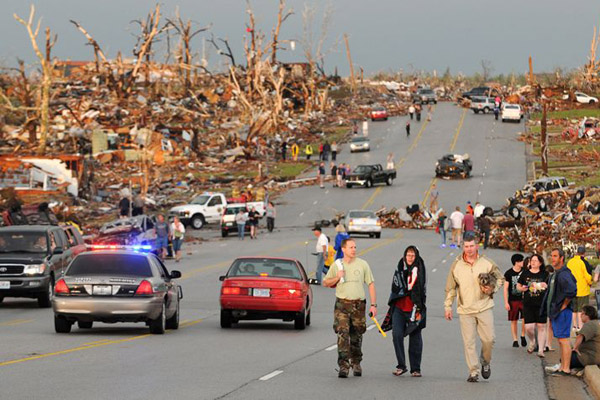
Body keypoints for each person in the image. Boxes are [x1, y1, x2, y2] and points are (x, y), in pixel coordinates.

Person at [444, 233, 504, 382]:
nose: (469, 249)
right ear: (463, 246)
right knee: (469, 343)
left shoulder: (486, 263)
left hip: (484, 307)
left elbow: (500, 278)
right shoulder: (456, 264)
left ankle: (485, 362)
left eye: (472, 246)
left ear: (477, 246)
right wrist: (448, 306)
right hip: (465, 310)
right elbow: (451, 287)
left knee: (489, 339)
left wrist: (492, 289)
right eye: (466, 246)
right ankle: (473, 371)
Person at [323, 238, 377, 378]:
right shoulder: (337, 265)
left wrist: (373, 305)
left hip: (358, 305)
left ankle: (356, 362)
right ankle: (343, 366)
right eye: (351, 247)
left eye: (355, 247)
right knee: (343, 334)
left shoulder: (363, 264)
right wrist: (337, 277)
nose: (354, 249)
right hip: (342, 305)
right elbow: (326, 282)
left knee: (356, 335)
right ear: (344, 249)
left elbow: (370, 284)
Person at [388, 246, 427, 377]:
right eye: (408, 255)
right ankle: (401, 365)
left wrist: (418, 308)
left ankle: (416, 369)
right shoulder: (400, 266)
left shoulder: (419, 269)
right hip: (399, 307)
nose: (410, 258)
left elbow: (420, 289)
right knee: (397, 335)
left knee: (415, 338)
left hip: (414, 308)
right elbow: (395, 286)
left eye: (412, 255)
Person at [544, 248, 577, 376]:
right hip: (557, 312)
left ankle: (566, 369)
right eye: (551, 256)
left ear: (561, 258)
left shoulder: (564, 274)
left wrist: (564, 305)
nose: (553, 258)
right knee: (560, 340)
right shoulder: (556, 273)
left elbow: (572, 290)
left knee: (564, 340)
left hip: (563, 312)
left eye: (555, 256)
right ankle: (563, 366)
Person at [517, 254, 549, 357]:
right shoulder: (525, 273)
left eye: (536, 260)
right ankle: (532, 340)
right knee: (529, 328)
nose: (533, 262)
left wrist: (544, 285)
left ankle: (540, 350)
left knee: (541, 326)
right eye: (532, 260)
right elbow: (518, 285)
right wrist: (521, 289)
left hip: (541, 304)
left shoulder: (545, 274)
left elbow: (548, 286)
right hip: (528, 304)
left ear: (540, 263)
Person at [504, 254, 527, 348]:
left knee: (525, 318)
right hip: (513, 300)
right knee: (514, 320)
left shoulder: (525, 272)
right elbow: (505, 288)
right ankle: (515, 339)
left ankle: (522, 335)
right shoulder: (508, 273)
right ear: (517, 262)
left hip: (524, 299)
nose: (523, 262)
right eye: (521, 261)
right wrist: (506, 302)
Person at [568, 247, 593, 330]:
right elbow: (586, 275)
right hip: (582, 289)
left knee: (573, 309)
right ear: (584, 253)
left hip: (572, 289)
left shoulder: (570, 262)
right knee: (580, 309)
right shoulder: (582, 262)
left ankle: (574, 326)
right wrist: (590, 282)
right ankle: (580, 326)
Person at [570, 305, 600, 370]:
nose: (580, 315)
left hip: (591, 357)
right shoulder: (596, 323)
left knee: (566, 357)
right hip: (595, 355)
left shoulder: (590, 324)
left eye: (582, 313)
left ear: (587, 315)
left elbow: (580, 336)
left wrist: (575, 348)